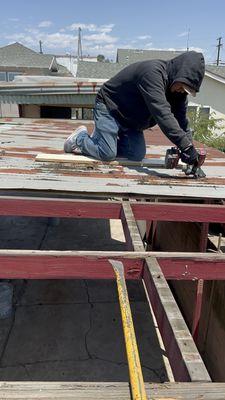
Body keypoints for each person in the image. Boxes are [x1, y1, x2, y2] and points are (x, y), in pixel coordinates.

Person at [64, 51, 205, 164]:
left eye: (186, 90)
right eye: (182, 86)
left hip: (131, 119)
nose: (182, 91)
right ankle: (79, 139)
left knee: (136, 155)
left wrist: (189, 147)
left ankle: (104, 140)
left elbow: (181, 120)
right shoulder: (152, 73)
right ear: (179, 73)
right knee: (107, 154)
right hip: (110, 107)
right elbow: (162, 113)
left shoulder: (177, 92)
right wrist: (185, 146)